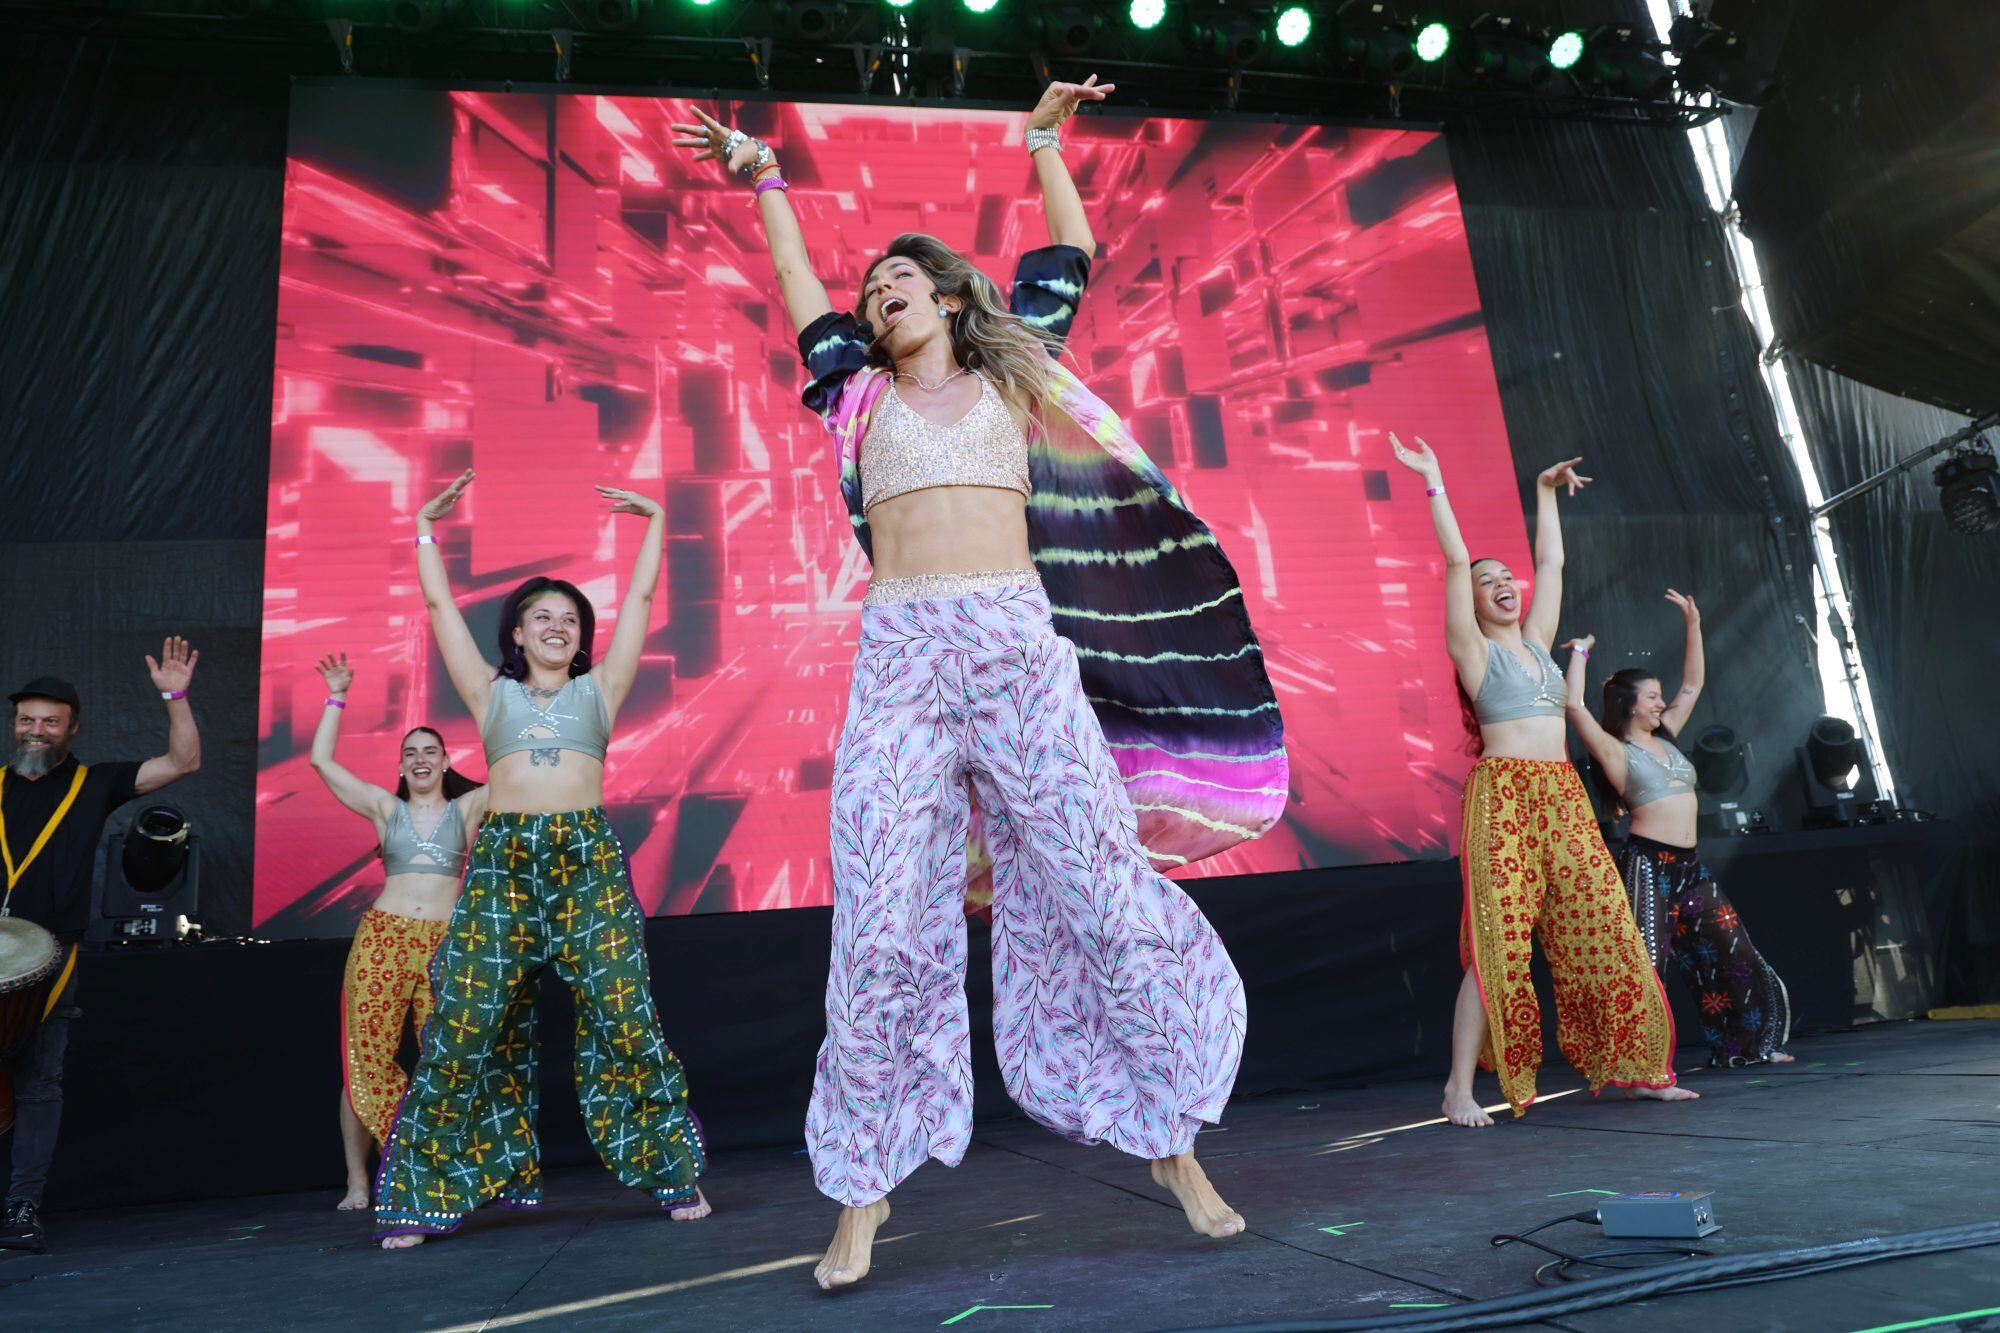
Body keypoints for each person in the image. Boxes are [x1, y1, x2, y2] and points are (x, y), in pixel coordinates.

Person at [674, 77, 1287, 1290]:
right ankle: (861, 1192)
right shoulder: (854, 392)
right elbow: (799, 284)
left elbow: (1072, 248)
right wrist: (762, 179)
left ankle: (1174, 1149)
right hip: (900, 660)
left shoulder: (1014, 379)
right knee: (881, 932)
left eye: (894, 283)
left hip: (1016, 650)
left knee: (1098, 891)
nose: (873, 296)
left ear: (947, 296)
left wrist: (1045, 139)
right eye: (868, 293)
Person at [372, 474, 710, 1248]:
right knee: (461, 1024)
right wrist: (425, 528)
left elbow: (647, 599)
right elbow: (437, 611)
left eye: (569, 618)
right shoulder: (490, 695)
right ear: (517, 634)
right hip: (502, 868)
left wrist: (655, 520)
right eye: (540, 616)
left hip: (585, 862)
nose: (556, 626)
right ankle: (425, 1194)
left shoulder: (602, 689)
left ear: (581, 637)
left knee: (626, 1015)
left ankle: (670, 1170)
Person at [1389, 436, 1696, 1128]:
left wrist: (1546, 490)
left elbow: (1552, 561)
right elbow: (1455, 558)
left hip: (1561, 796)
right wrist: (1436, 480)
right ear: (1470, 600)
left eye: (1507, 576)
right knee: (1497, 941)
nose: (1502, 581)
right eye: (1487, 579)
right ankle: (1458, 1089)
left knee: (1608, 926)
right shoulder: (1470, 649)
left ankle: (1638, 1067)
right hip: (1504, 796)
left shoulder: (1536, 642)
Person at [0, 646, 203, 1254]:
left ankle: (20, 1207)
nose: (37, 730)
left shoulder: (95, 784)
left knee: (39, 1085)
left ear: (73, 727)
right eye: (27, 719)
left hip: (51, 963)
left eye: (50, 720)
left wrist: (175, 695)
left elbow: (184, 761)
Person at [1561, 596, 1793, 1068]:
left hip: (1690, 868)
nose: (1662, 702)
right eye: (1651, 696)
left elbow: (1694, 682)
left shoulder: (1666, 733)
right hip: (1648, 866)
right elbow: (1573, 706)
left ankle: (1743, 1049)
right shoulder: (1614, 750)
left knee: (1734, 950)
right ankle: (1642, 1064)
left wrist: (1694, 624)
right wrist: (1581, 653)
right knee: (1647, 964)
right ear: (1628, 704)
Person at [305, 651, 490, 1210]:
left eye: (429, 751)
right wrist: (336, 695)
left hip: (444, 944)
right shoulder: (385, 808)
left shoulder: (469, 807)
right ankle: (363, 1179)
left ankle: (439, 1162)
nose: (419, 759)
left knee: (448, 1061)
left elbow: (515, 768)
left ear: (444, 759)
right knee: (363, 1061)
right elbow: (320, 761)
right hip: (384, 938)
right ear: (403, 763)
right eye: (409, 752)